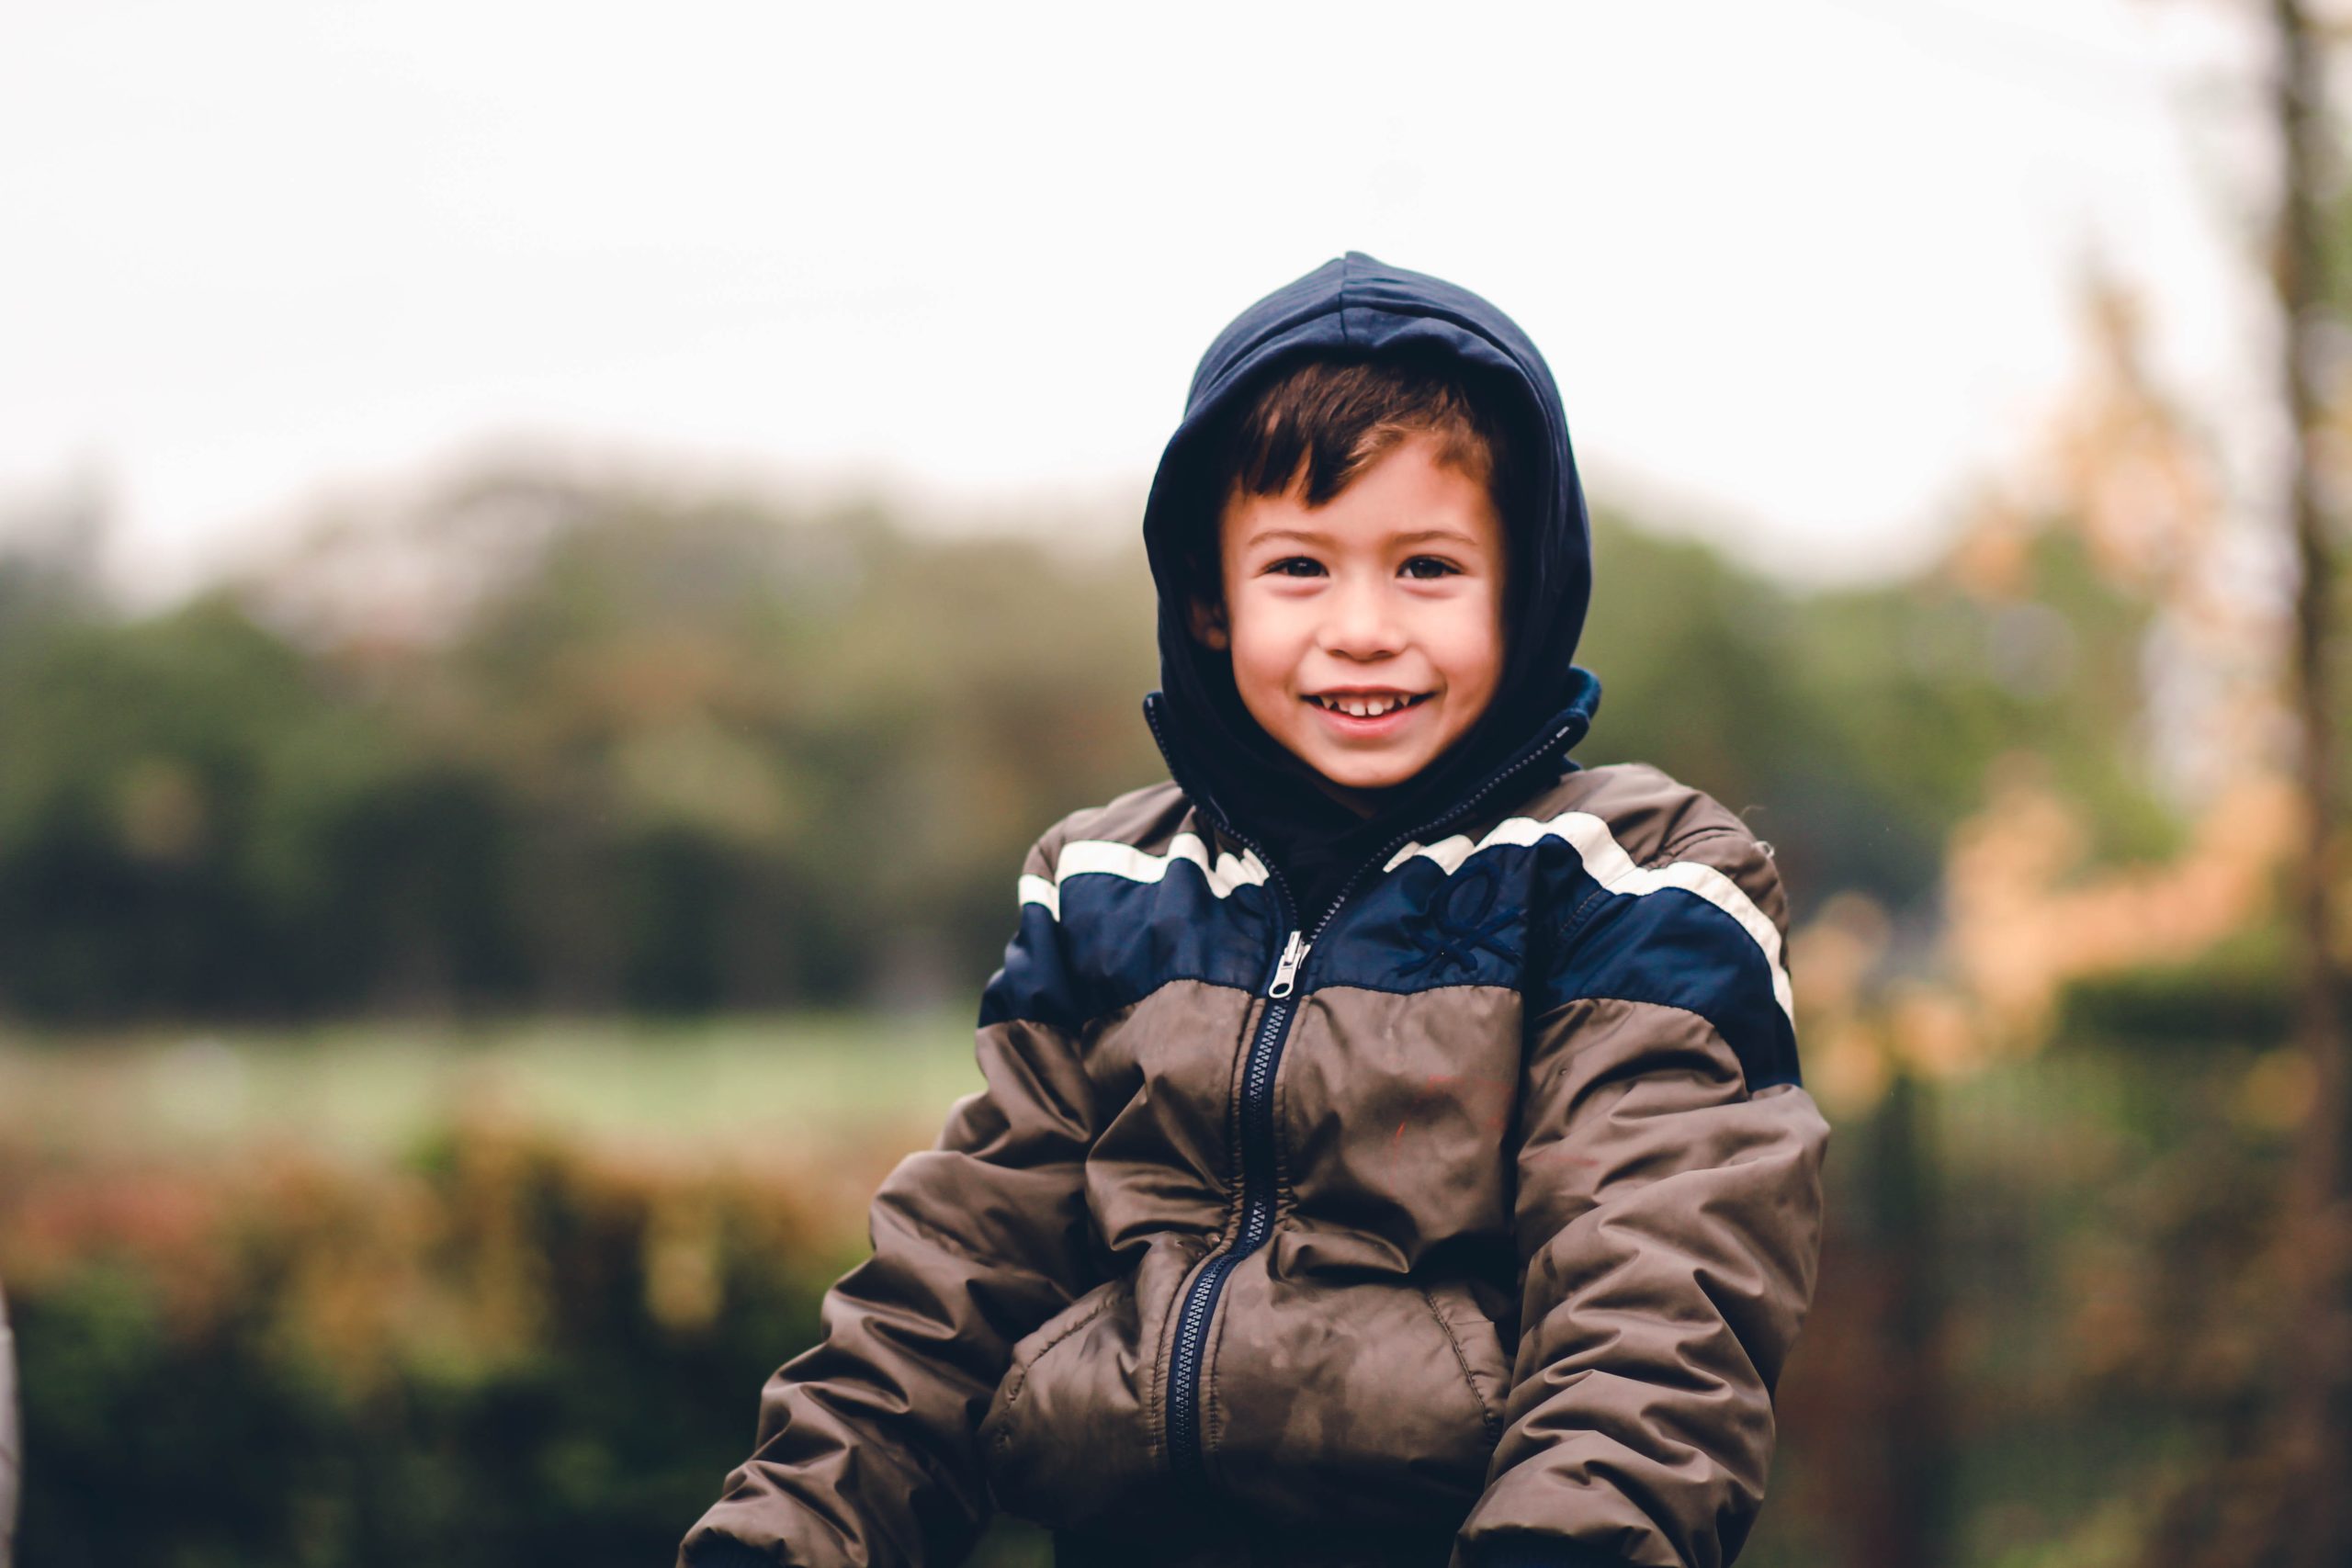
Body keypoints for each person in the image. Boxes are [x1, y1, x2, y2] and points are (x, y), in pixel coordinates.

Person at [678, 253, 1831, 1568]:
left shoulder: (1634, 874)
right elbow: (958, 1274)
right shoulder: (1108, 886)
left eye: (1428, 568)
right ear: (1208, 604)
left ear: (1526, 588)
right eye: (1298, 567)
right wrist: (792, 1531)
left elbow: (1658, 1290)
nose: (1361, 627)